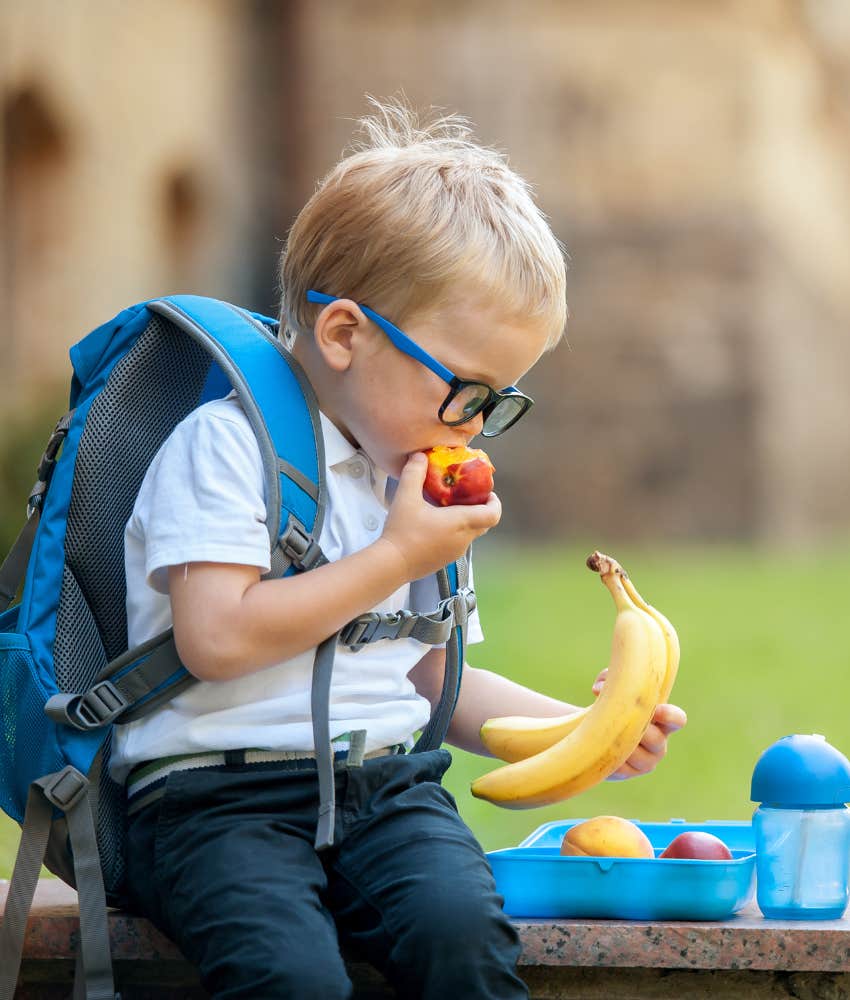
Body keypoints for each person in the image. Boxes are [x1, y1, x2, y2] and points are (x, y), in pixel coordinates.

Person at [115, 98, 687, 999]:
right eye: (465, 387)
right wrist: (393, 556)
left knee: (464, 940)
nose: (473, 422)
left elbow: (429, 680)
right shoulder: (228, 450)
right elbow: (215, 640)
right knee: (291, 979)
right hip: (213, 802)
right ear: (345, 334)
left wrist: (590, 732)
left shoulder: (414, 482)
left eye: (498, 399)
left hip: (386, 790)